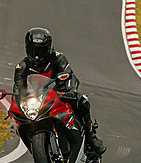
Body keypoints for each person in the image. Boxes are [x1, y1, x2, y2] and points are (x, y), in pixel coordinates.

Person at [13, 27, 107, 156]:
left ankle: (91, 137)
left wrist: (70, 91)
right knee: (21, 123)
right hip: (38, 100)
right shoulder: (22, 66)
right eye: (33, 49)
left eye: (41, 50)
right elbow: (18, 88)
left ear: (48, 48)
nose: (37, 54)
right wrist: (17, 103)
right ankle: (39, 149)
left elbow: (69, 75)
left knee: (82, 101)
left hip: (60, 93)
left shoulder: (58, 58)